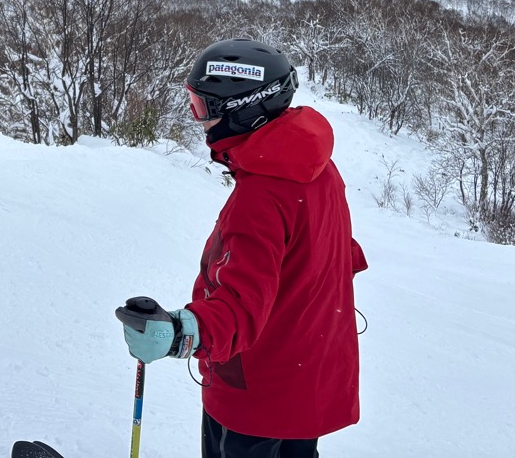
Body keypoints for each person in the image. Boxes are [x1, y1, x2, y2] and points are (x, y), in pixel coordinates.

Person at [118, 39, 367, 458]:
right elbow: (332, 254)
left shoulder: (262, 195)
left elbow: (241, 307)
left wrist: (177, 333)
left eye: (202, 108)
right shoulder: (312, 165)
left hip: (259, 394)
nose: (199, 122)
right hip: (306, 377)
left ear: (243, 111)